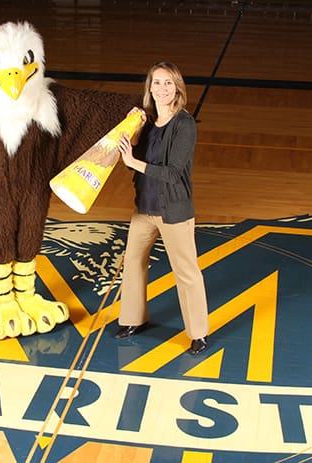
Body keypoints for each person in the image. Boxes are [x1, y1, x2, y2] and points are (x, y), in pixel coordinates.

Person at [114, 61, 209, 355]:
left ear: (177, 88)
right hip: (144, 209)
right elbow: (132, 158)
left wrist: (134, 163)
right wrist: (135, 128)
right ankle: (133, 320)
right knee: (132, 264)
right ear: (150, 87)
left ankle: (198, 333)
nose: (163, 88)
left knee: (186, 272)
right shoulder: (150, 123)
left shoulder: (184, 124)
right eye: (157, 82)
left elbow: (173, 172)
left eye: (169, 83)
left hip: (174, 212)